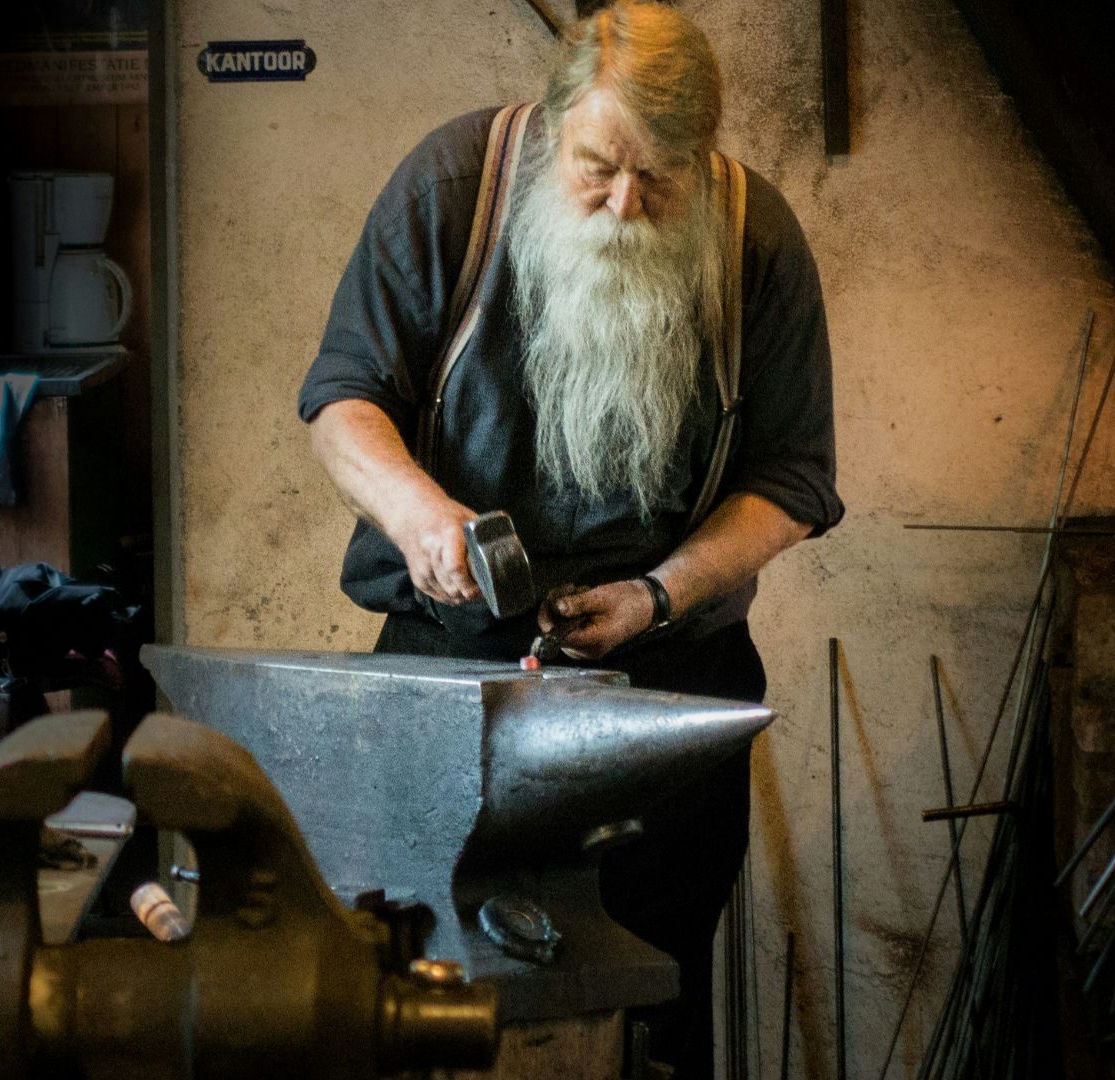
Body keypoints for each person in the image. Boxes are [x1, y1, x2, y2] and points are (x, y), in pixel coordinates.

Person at [297, 2, 843, 1075]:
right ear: (552, 131)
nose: (626, 203)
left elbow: (794, 479)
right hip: (453, 672)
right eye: (598, 167)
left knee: (647, 1002)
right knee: (425, 998)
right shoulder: (450, 191)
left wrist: (661, 593)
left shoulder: (756, 237)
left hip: (666, 686)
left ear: (705, 154)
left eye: (662, 176)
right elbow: (341, 401)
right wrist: (419, 516)